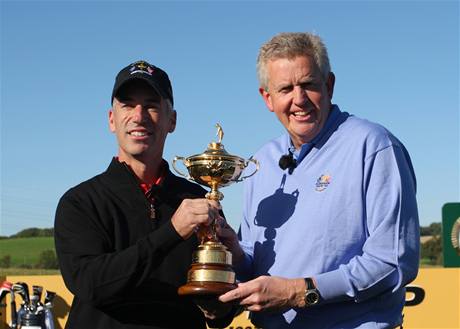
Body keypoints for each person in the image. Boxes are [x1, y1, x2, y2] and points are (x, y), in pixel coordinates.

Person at [217, 32, 420, 328]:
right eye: (285, 88)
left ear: (329, 85)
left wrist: (300, 292)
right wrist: (234, 251)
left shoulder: (373, 146)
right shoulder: (260, 162)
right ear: (267, 98)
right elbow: (254, 255)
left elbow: (393, 262)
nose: (298, 99)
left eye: (309, 85)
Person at [54, 60, 233, 328]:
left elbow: (218, 306)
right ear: (112, 120)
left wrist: (219, 308)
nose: (139, 116)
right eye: (127, 105)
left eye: (151, 105)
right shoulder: (80, 202)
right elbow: (91, 284)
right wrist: (171, 232)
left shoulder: (198, 200)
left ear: (172, 120)